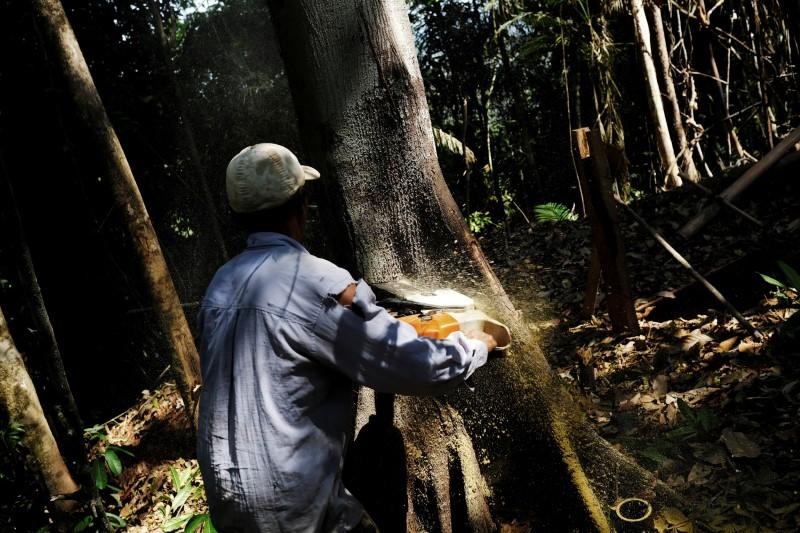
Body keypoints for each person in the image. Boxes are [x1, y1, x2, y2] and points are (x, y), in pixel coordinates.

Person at [196, 143, 496, 533]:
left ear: (238, 217)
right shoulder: (316, 281)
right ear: (301, 204)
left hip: (228, 498)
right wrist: (476, 345)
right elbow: (414, 367)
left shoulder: (220, 285)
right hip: (291, 506)